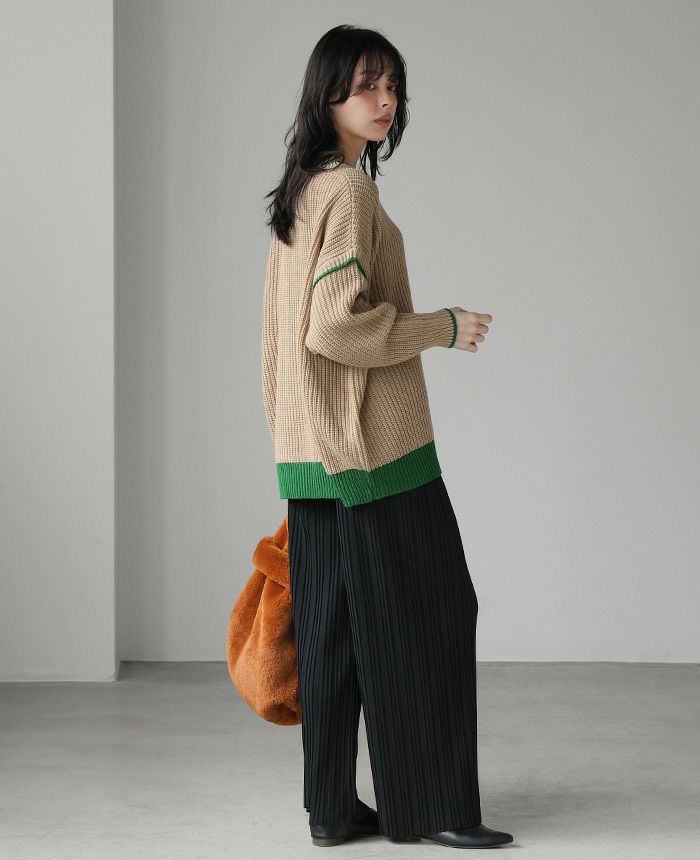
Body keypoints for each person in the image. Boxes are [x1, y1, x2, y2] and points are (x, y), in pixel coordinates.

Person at [261, 24, 513, 850]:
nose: (384, 100)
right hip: (370, 452)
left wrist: (294, 445)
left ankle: (332, 810)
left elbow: (281, 339)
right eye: (366, 84)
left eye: (392, 85)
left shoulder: (301, 190)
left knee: (333, 636)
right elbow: (333, 328)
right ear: (328, 92)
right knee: (431, 614)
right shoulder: (348, 194)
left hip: (310, 453)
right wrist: (441, 327)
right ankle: (435, 808)